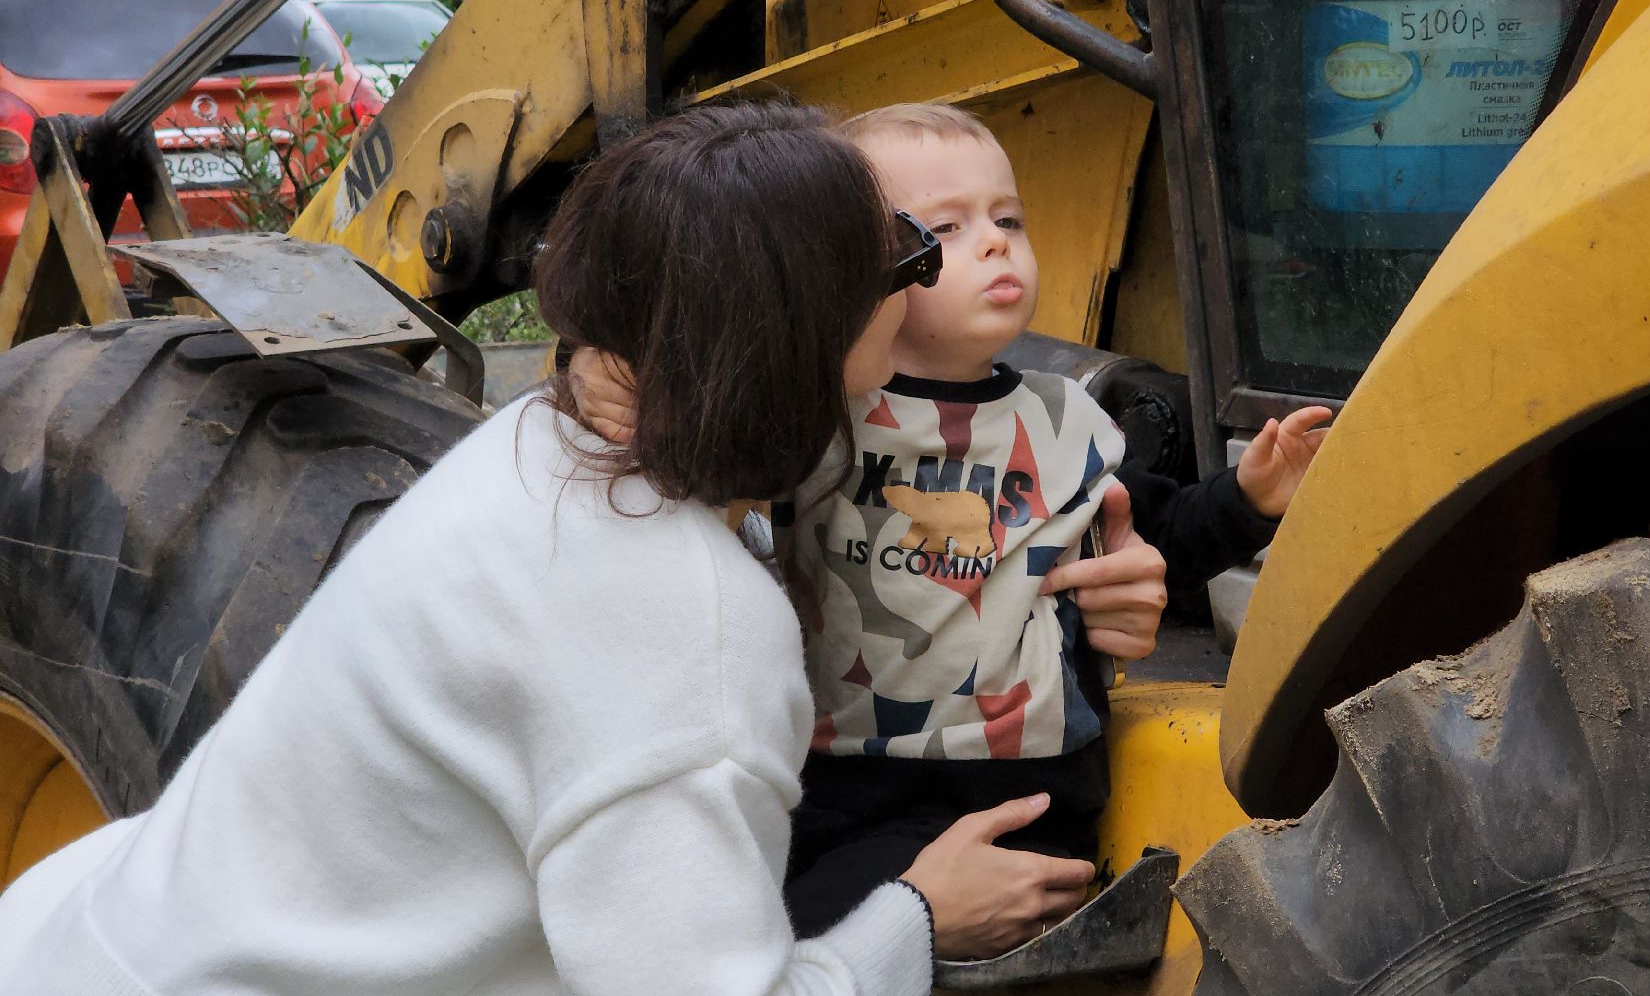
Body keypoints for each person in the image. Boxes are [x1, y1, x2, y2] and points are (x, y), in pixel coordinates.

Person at [0, 102, 1163, 994]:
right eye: (904, 266)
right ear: (805, 343)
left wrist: (1062, 590)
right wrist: (916, 913)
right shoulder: (682, 635)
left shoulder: (550, 438)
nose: (925, 290)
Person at [567, 101, 1331, 939]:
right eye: (947, 229)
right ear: (850, 268)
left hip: (1029, 794)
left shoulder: (1062, 422)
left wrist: (1250, 498)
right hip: (837, 784)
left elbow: (1157, 535)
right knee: (790, 925)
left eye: (1008, 218)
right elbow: (681, 483)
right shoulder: (817, 417)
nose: (998, 242)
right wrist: (593, 368)